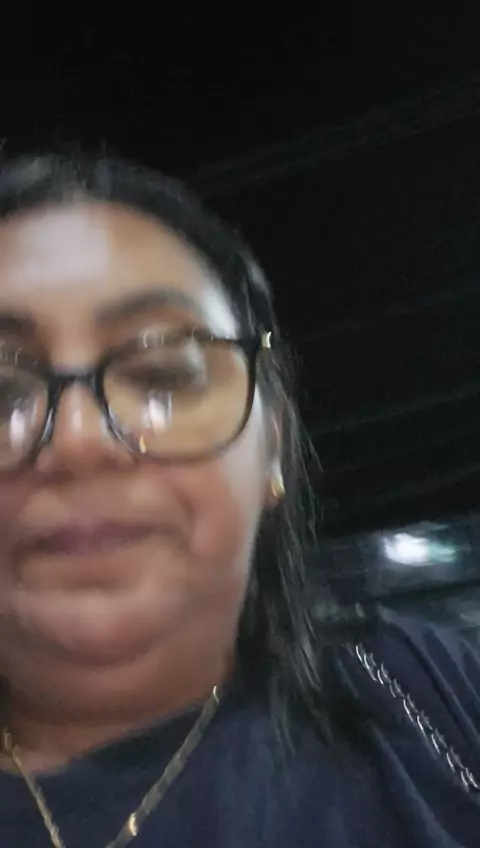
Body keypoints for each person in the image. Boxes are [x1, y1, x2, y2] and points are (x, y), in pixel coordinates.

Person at [0, 152, 478, 848]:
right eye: (2, 394)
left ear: (272, 449)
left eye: (163, 374)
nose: (78, 440)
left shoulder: (431, 694)